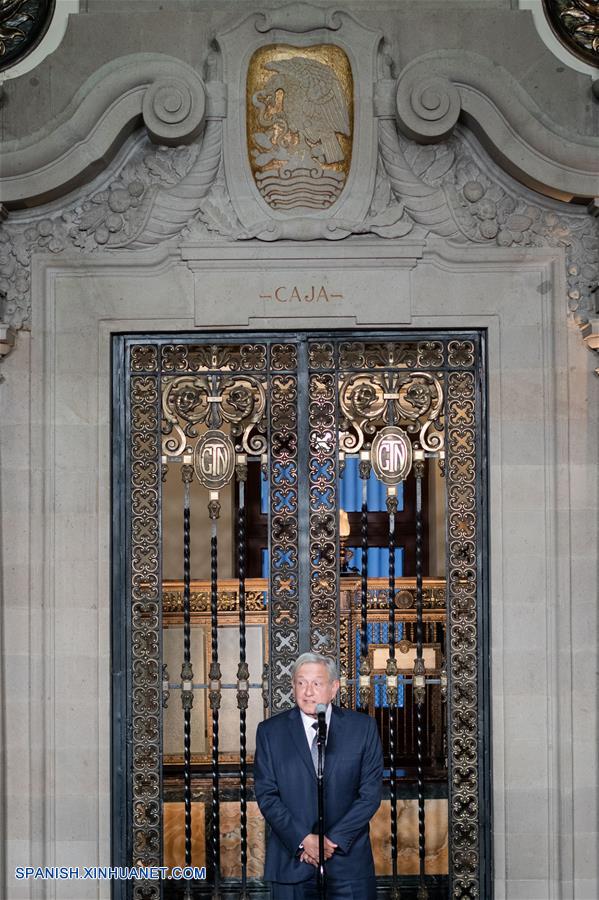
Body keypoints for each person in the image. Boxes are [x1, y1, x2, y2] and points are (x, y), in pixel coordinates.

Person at [254, 652, 383, 899]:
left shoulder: (362, 728)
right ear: (293, 687)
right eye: (301, 683)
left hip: (347, 862)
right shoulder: (270, 732)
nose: (308, 691)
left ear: (334, 688)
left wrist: (329, 843)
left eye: (317, 683)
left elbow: (369, 795)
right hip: (292, 863)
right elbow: (267, 794)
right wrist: (304, 840)